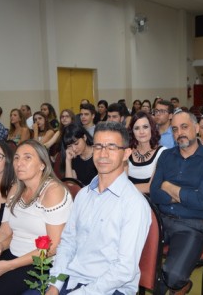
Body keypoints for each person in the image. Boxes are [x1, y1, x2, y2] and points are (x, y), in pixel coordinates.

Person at [45, 121, 151, 295]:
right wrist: (54, 285)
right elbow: (68, 243)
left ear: (126, 154)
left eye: (111, 147)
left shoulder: (134, 204)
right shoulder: (83, 195)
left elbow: (124, 269)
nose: (103, 154)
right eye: (98, 146)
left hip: (111, 288)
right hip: (74, 278)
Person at [0, 139, 73, 295]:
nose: (19, 163)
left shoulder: (53, 192)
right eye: (16, 158)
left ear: (42, 165)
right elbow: (5, 229)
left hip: (40, 262)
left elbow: (53, 247)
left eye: (27, 157)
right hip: (12, 253)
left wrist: (8, 265)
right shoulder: (16, 188)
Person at [150, 111, 203, 295]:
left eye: (184, 127)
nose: (179, 133)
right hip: (160, 220)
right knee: (129, 259)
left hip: (191, 226)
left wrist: (168, 186)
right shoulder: (165, 156)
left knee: (172, 276)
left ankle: (179, 284)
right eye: (175, 129)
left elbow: (201, 202)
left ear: (196, 128)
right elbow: (155, 193)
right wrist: (185, 195)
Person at [127, 111, 166, 194]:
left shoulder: (162, 152)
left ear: (151, 129)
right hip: (126, 202)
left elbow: (151, 187)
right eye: (137, 128)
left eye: (145, 127)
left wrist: (124, 189)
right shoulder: (127, 152)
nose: (141, 132)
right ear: (132, 132)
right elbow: (121, 182)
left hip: (151, 203)